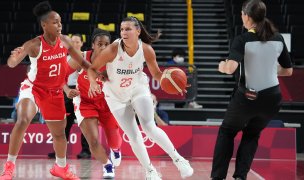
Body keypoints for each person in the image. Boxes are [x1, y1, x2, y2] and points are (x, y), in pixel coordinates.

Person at [87, 16, 194, 179]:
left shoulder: (146, 49)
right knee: (134, 135)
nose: (124, 32)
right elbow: (92, 69)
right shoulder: (113, 49)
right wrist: (93, 83)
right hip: (115, 95)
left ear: (138, 31)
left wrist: (175, 83)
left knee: (149, 126)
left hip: (138, 88)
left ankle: (179, 160)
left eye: (128, 29)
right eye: (122, 29)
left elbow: (157, 74)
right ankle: (150, 171)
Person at [0, 1, 94, 180]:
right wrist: (13, 57)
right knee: (23, 120)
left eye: (60, 22)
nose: (59, 25)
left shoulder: (64, 40)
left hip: (55, 92)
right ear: (44, 25)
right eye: (55, 22)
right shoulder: (34, 44)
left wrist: (96, 73)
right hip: (34, 89)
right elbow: (12, 64)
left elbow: (82, 62)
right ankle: (9, 167)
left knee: (59, 134)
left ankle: (61, 168)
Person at [210, 1, 293, 180]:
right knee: (252, 134)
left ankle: (217, 177)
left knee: (227, 131)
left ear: (247, 16)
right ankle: (240, 176)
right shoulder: (278, 38)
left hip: (248, 98)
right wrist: (269, 69)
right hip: (272, 99)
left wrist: (221, 65)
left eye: (242, 14)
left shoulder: (242, 40)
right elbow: (288, 70)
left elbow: (230, 68)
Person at [68, 28, 122, 178]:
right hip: (85, 102)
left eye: (106, 44)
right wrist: (66, 90)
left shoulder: (116, 62)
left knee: (114, 139)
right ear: (93, 45)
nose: (103, 47)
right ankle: (107, 166)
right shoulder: (81, 57)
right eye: (100, 44)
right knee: (93, 140)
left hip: (107, 103)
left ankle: (115, 150)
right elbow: (61, 75)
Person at [48, 34, 91, 159]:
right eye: (72, 41)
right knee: (64, 123)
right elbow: (59, 79)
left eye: (77, 42)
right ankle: (60, 151)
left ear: (82, 43)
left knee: (85, 122)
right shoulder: (64, 58)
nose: (75, 44)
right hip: (66, 92)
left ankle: (86, 151)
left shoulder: (87, 57)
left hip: (83, 91)